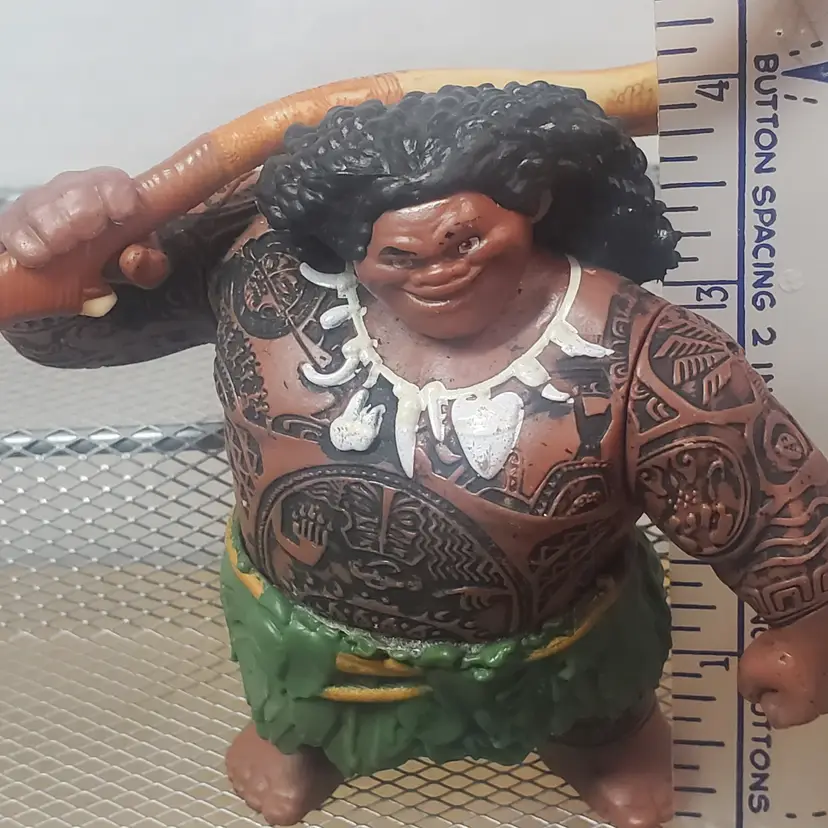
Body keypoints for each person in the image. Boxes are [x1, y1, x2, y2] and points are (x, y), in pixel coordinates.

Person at [3, 80, 828, 828]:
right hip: (303, 624)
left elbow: (766, 494)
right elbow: (70, 331)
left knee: (594, 706)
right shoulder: (261, 269)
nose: (433, 269)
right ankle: (302, 737)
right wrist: (58, 256)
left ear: (532, 204)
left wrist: (806, 626)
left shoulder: (640, 348)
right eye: (397, 252)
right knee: (296, 702)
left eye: (464, 239)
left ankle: (603, 743)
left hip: (561, 638)